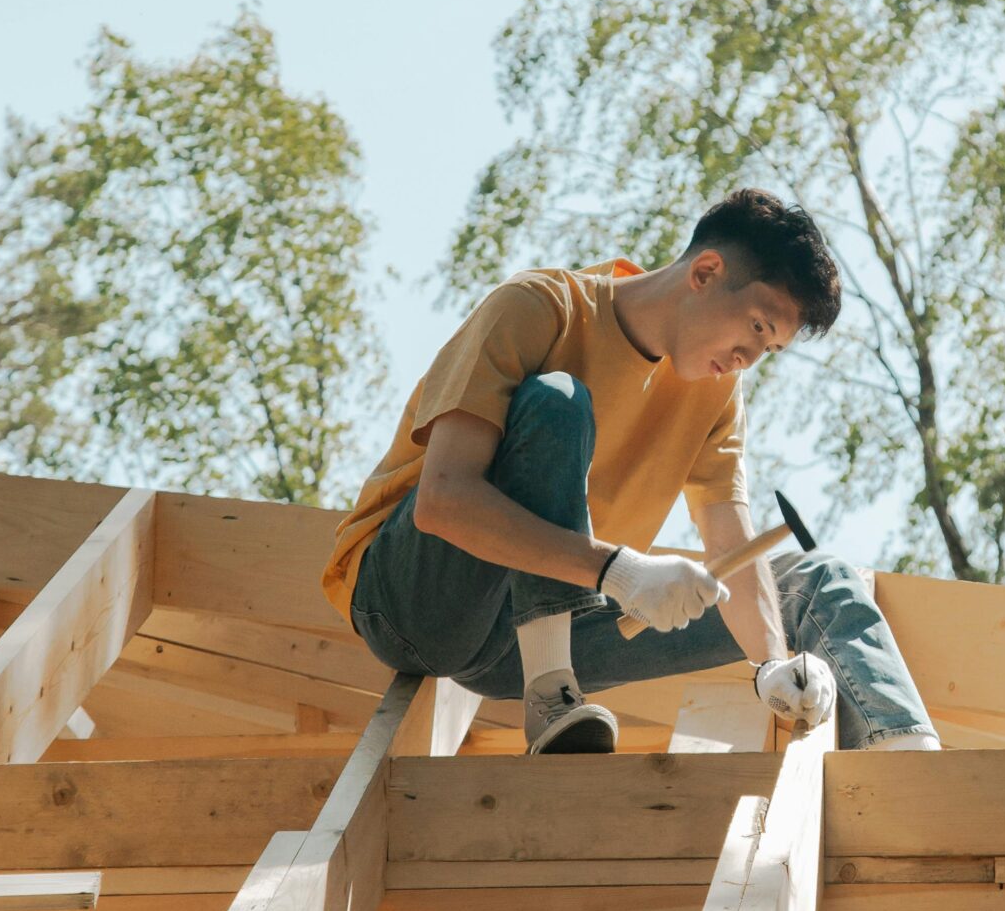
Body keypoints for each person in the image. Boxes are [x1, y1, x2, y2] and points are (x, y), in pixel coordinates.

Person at [322, 188, 941, 756]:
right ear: (705, 273)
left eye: (768, 348)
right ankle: (551, 692)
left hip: (518, 642)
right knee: (557, 401)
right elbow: (444, 501)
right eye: (755, 327)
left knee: (818, 582)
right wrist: (617, 570)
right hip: (413, 602)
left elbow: (731, 537)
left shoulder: (717, 395)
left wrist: (771, 664)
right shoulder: (543, 309)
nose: (747, 359)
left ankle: (912, 783)